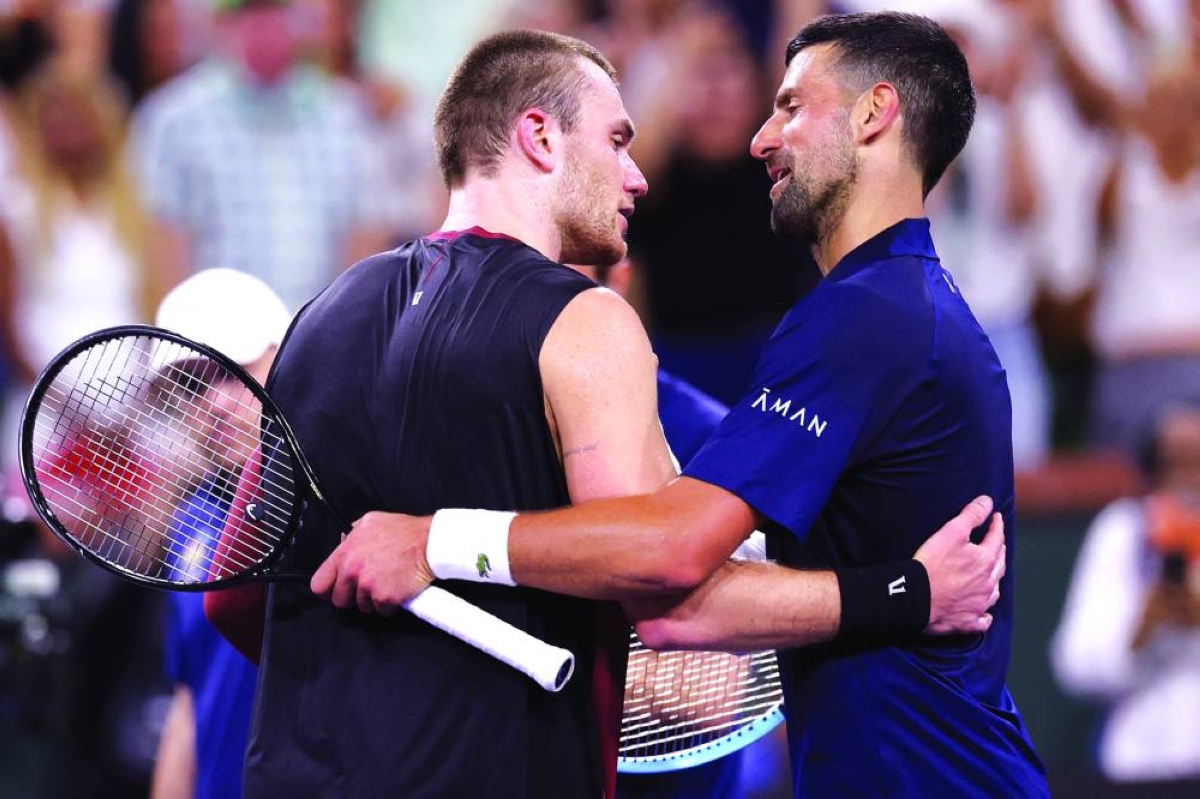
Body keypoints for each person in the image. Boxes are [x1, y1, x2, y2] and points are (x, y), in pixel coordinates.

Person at [211, 27, 1003, 799]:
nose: (638, 177)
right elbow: (668, 585)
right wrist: (909, 593)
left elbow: (234, 595)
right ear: (539, 138)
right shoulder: (586, 318)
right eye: (617, 140)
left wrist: (386, 667)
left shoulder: (315, 318)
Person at [129, 0, 394, 311]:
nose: (268, 28)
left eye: (278, 13)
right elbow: (162, 241)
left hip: (319, 334)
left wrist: (341, 328)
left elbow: (368, 230)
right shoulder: (174, 118)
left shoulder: (343, 114)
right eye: (253, 15)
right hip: (217, 338)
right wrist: (189, 345)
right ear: (223, 25)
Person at [150, 269, 290, 799]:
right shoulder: (190, 520)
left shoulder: (337, 506)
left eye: (232, 373)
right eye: (191, 384)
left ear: (284, 358)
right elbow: (190, 701)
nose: (212, 403)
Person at [1052, 399, 1200, 782]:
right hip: (1138, 762)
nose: (1190, 480)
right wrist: (1139, 631)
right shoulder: (1123, 530)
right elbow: (1076, 665)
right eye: (1175, 464)